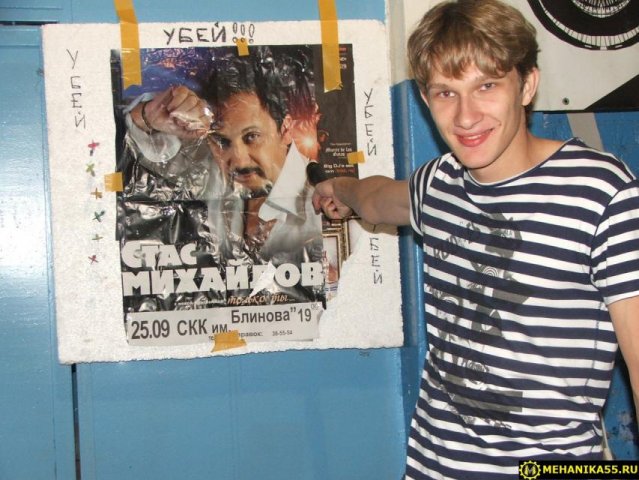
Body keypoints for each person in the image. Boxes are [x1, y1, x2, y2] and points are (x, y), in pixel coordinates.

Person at [312, 1, 639, 478]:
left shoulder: (601, 191)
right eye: (446, 92)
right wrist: (339, 189)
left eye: (487, 86)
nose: (466, 116)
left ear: (527, 85)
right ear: (425, 99)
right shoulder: (439, 183)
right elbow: (378, 199)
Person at [120, 46, 324, 306]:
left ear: (285, 130)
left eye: (252, 137)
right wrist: (147, 115)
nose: (238, 160)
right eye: (222, 141)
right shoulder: (211, 172)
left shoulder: (321, 205)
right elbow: (143, 144)